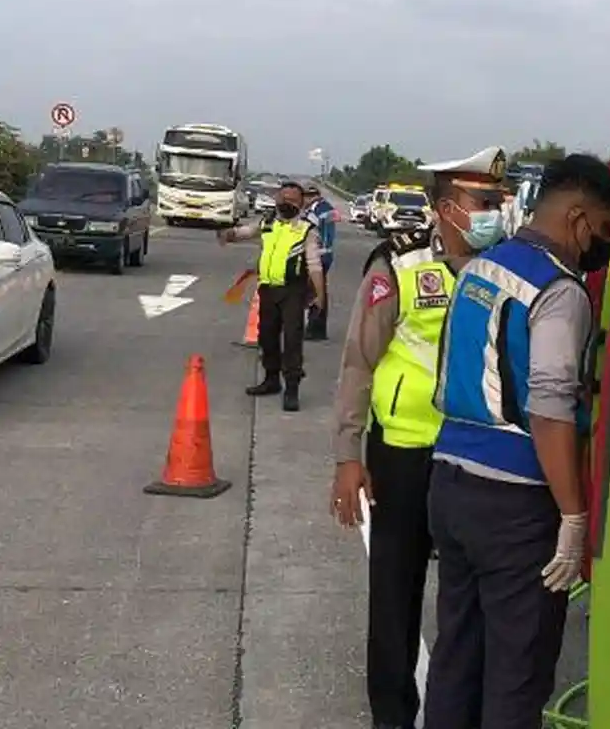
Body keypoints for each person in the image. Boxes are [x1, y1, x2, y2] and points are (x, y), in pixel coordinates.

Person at [423, 154, 610, 729]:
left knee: (457, 656)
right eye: (608, 229)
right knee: (517, 673)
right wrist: (572, 516)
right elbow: (551, 407)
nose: (607, 243)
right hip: (515, 505)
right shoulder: (559, 291)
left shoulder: (479, 269)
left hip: (450, 484)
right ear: (580, 218)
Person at [329, 147, 510, 729]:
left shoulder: (503, 270)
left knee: (470, 598)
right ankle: (392, 715)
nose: (494, 214)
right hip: (404, 456)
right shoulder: (399, 267)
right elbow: (358, 362)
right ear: (447, 207)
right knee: (395, 593)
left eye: (498, 202)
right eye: (483, 203)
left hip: (476, 459)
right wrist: (347, 458)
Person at [218, 180, 325, 412]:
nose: (286, 203)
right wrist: (229, 234)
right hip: (268, 290)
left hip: (293, 291)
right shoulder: (268, 222)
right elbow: (246, 232)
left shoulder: (307, 230)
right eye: (283, 198)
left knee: (293, 340)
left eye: (292, 200)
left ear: (301, 203)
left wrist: (319, 295)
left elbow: (315, 265)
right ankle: (271, 379)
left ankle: (292, 389)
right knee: (266, 336)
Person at [301, 182, 337, 341]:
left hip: (320, 255)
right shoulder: (325, 208)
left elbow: (310, 232)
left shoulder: (317, 211)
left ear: (311, 196)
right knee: (318, 290)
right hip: (325, 253)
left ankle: (315, 328)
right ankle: (317, 328)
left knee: (314, 291)